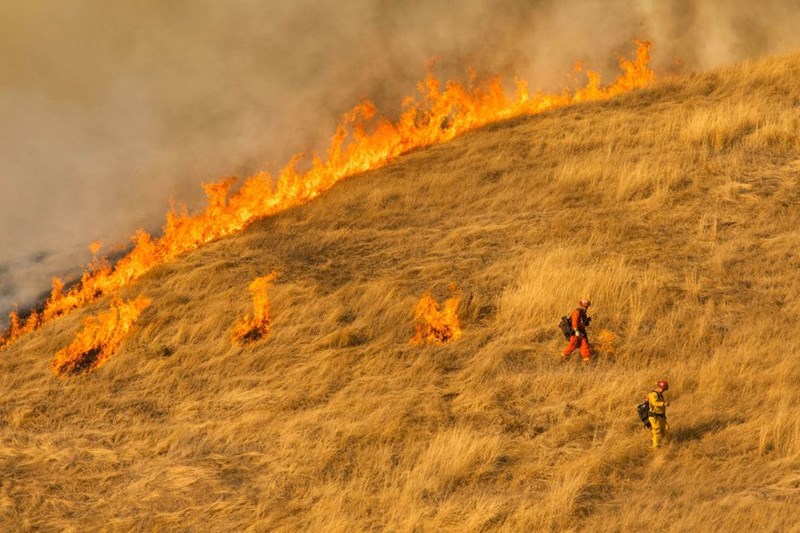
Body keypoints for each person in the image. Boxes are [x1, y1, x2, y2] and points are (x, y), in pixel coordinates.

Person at [561, 299, 592, 364]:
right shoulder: (577, 312)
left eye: (587, 306)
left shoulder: (583, 313)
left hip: (582, 332)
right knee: (573, 344)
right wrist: (576, 330)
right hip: (575, 333)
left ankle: (586, 361)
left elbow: (583, 323)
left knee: (585, 345)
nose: (586, 308)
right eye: (585, 306)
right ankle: (562, 357)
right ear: (582, 305)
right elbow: (574, 321)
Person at [648, 380, 670, 449]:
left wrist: (664, 416)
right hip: (654, 417)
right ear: (660, 387)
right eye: (664, 389)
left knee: (666, 429)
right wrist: (664, 403)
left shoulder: (660, 395)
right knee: (657, 432)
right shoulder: (653, 394)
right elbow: (655, 403)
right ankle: (655, 447)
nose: (664, 391)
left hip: (661, 416)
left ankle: (663, 444)